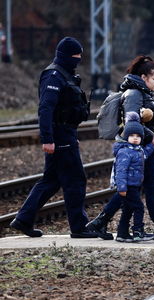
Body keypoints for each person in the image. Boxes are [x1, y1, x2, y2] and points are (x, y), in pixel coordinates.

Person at [86, 55, 154, 241]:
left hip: (144, 148)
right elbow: (132, 124)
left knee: (139, 188)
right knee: (148, 187)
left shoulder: (146, 93)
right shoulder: (133, 94)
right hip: (135, 149)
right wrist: (151, 137)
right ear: (144, 77)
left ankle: (100, 222)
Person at [10, 37, 96, 238]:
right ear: (66, 55)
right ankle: (79, 227)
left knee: (51, 180)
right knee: (75, 179)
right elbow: (45, 108)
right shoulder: (54, 76)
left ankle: (23, 219)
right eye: (76, 56)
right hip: (60, 135)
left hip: (65, 132)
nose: (79, 59)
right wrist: (47, 138)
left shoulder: (65, 74)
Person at [112, 113, 154, 242]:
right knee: (138, 208)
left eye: (138, 136)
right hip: (128, 187)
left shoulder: (138, 150)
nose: (135, 138)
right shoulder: (124, 152)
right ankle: (138, 231)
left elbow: (146, 154)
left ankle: (122, 233)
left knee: (128, 209)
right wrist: (121, 187)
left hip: (135, 185)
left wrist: (153, 145)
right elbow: (120, 171)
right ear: (126, 137)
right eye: (131, 136)